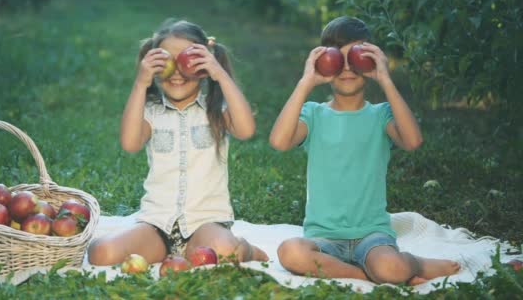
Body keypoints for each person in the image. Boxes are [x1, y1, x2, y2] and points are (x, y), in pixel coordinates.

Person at [269, 16, 460, 285]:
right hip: (322, 237)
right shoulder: (313, 114)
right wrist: (306, 82)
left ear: (370, 60)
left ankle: (415, 263)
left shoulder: (381, 115)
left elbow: (413, 141)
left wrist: (385, 78)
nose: (347, 68)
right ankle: (368, 275)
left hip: (372, 236)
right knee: (290, 252)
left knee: (389, 266)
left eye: (356, 58)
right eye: (338, 59)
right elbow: (279, 141)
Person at [88, 19, 268, 266]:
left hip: (205, 224)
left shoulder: (216, 110)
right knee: (100, 253)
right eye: (167, 62)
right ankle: (173, 253)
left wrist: (220, 75)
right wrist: (141, 83)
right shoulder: (151, 112)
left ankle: (247, 249)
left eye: (187, 61)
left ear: (204, 65)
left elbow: (246, 130)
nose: (177, 72)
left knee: (226, 251)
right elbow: (130, 143)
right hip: (157, 226)